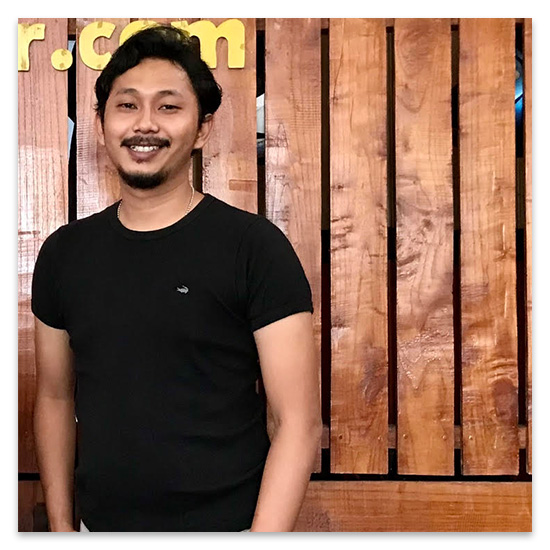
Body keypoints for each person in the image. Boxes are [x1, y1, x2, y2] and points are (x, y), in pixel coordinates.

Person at [31, 24, 322, 533]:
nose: (145, 124)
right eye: (127, 105)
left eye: (168, 107)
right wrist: (60, 531)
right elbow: (55, 398)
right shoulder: (63, 254)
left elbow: (297, 423)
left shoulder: (254, 247)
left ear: (202, 128)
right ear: (101, 123)